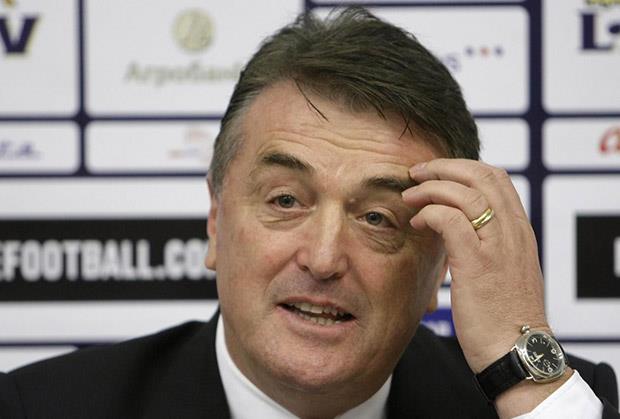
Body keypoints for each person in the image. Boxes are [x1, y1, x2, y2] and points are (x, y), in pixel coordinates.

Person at [1, 7, 618, 419]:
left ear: (440, 265)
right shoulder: (41, 408)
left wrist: (528, 380)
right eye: (285, 201)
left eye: (377, 218)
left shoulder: (538, 403)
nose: (323, 259)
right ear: (216, 221)